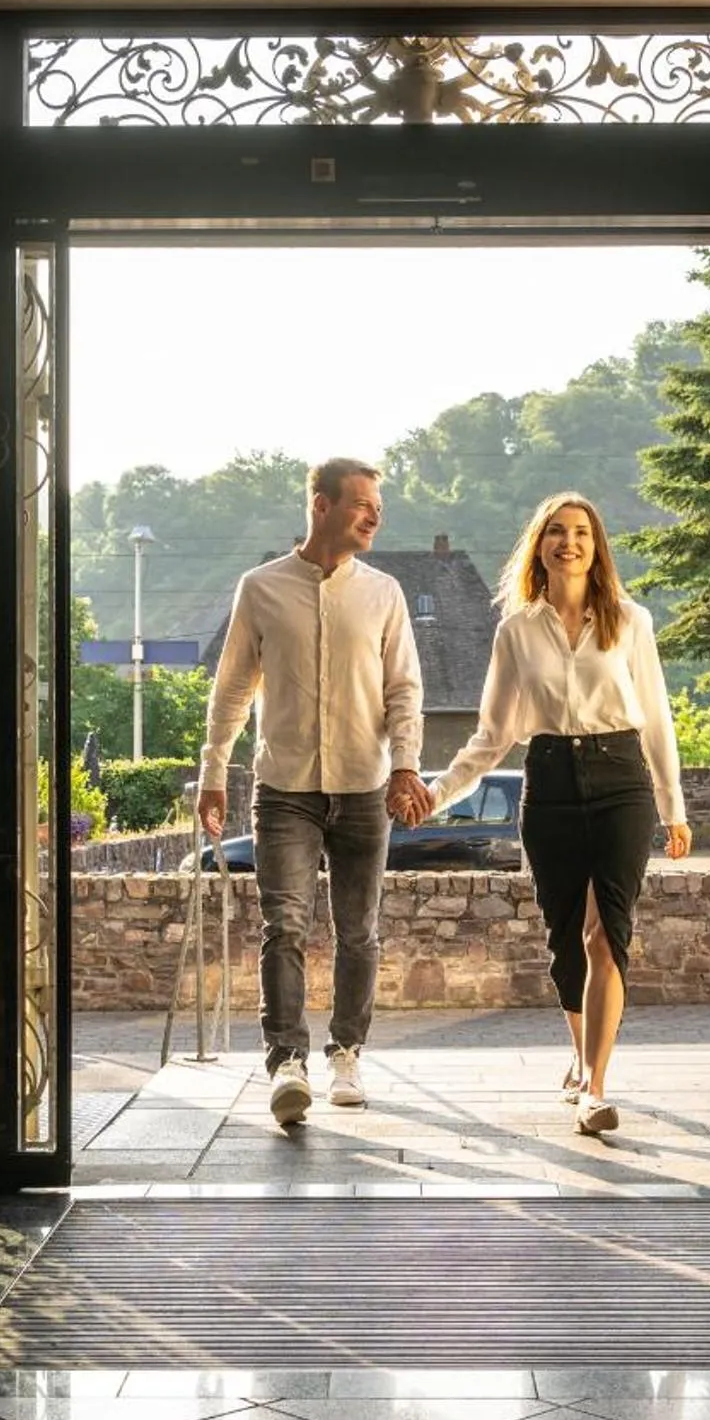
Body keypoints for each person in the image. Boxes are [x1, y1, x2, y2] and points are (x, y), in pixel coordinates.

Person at [412, 492, 690, 1136]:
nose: (570, 543)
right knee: (567, 940)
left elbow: (658, 718)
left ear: (598, 549)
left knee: (604, 934)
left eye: (582, 534)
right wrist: (439, 793)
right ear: (539, 545)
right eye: (558, 533)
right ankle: (581, 1055)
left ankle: (595, 1088)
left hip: (622, 779)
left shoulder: (630, 620)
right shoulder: (516, 631)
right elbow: (492, 735)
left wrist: (673, 808)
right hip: (551, 783)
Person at [197, 458, 428, 1127]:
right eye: (361, 503)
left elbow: (405, 689)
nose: (374, 515)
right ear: (320, 505)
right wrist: (214, 772)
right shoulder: (261, 588)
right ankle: (287, 1062)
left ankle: (347, 1052)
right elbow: (233, 689)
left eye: (377, 504)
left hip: (364, 788)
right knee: (284, 926)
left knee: (359, 932)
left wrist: (407, 766)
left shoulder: (384, 593)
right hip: (286, 789)